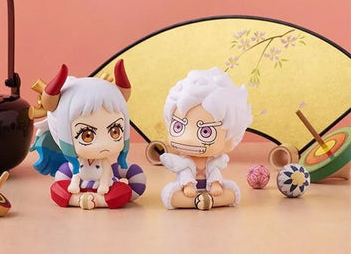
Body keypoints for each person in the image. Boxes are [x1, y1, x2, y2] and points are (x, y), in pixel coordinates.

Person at [31, 60, 145, 209]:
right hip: (80, 188)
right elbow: (61, 182)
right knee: (56, 190)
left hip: (104, 188)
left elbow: (136, 182)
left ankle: (91, 200)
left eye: (115, 131)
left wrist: (105, 186)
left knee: (123, 192)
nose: (104, 144)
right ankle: (85, 200)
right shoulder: (71, 166)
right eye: (87, 135)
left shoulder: (106, 164)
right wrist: (72, 186)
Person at [160, 67, 252, 210]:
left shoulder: (213, 162)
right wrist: (188, 185)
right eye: (178, 126)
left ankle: (206, 200)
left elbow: (215, 174)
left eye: (205, 131)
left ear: (229, 140)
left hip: (210, 191)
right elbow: (185, 175)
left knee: (231, 192)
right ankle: (202, 201)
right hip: (187, 192)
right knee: (170, 194)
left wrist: (215, 184)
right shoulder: (183, 163)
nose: (188, 138)